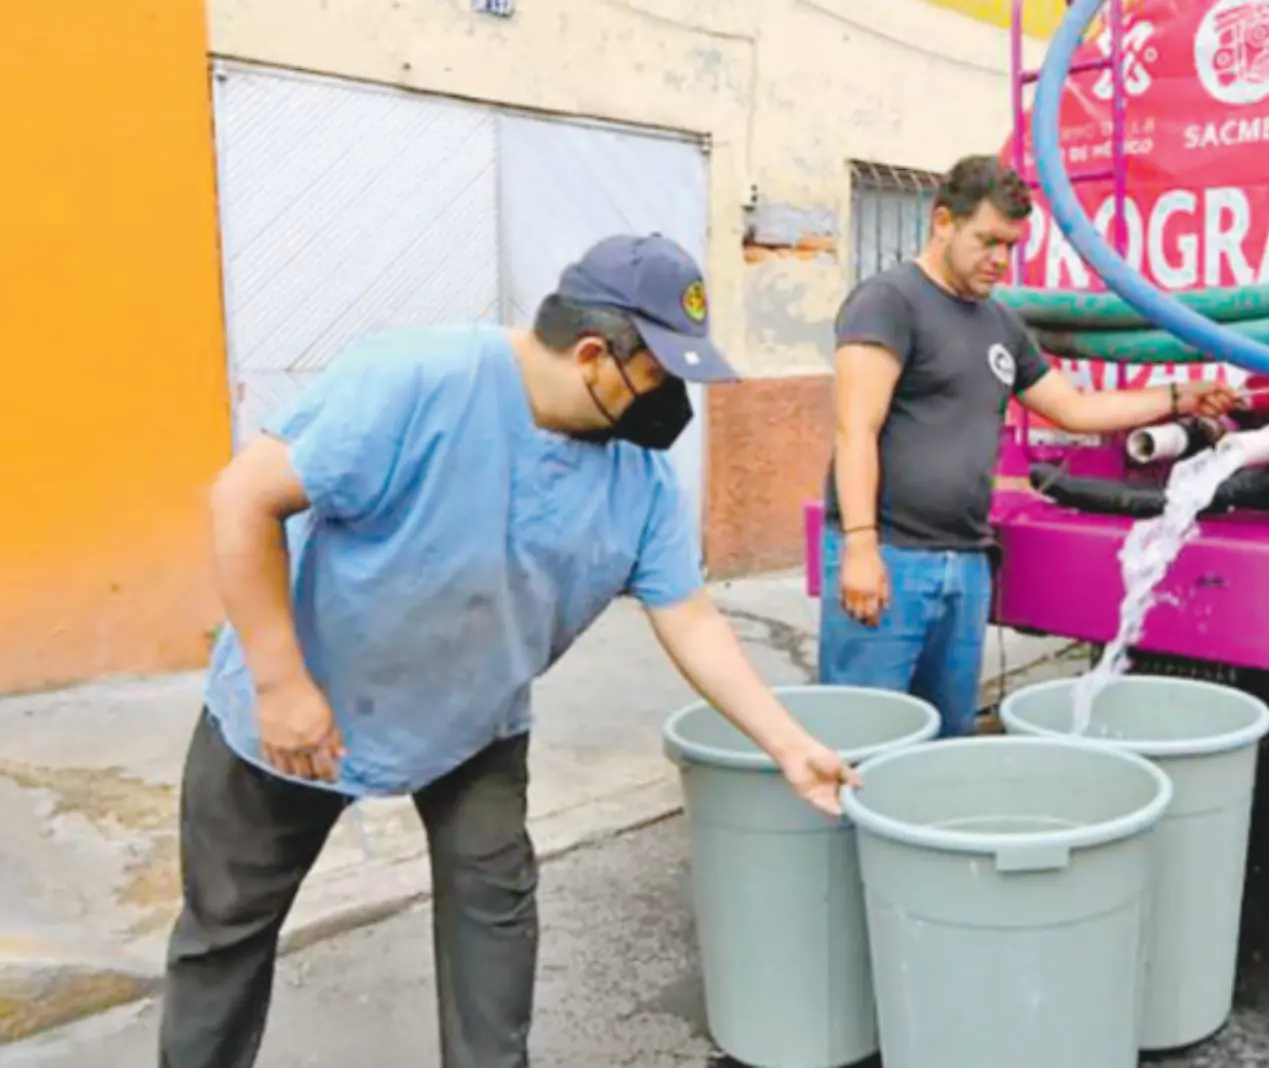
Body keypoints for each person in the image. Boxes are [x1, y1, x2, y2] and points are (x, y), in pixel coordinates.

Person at [159, 233, 857, 1068]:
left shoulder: (637, 479)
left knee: (494, 919)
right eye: (663, 378)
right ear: (595, 354)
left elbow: (692, 618)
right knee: (227, 930)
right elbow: (243, 498)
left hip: (473, 720)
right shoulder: (417, 380)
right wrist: (280, 683)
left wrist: (788, 746)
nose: (674, 404)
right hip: (301, 705)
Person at [820, 155, 1240, 737]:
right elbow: (854, 429)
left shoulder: (1000, 325)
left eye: (1011, 245)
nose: (1000, 259)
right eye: (987, 240)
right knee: (862, 738)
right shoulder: (888, 303)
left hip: (964, 562)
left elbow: (1075, 409)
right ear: (943, 221)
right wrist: (862, 548)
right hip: (891, 557)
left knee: (946, 741)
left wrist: (1178, 397)